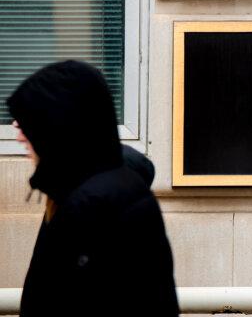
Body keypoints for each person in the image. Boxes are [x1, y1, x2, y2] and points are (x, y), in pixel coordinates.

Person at [7, 60, 180, 317]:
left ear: (59, 128)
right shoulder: (97, 191)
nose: (19, 135)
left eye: (30, 124)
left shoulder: (91, 206)